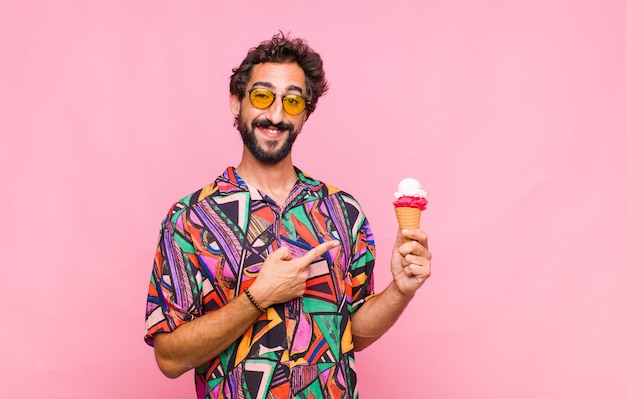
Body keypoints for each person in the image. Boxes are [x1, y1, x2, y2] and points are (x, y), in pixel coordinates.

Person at [144, 32, 432, 399]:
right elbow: (169, 359)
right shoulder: (189, 220)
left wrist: (400, 292)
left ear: (306, 114)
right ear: (237, 102)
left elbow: (352, 334)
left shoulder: (343, 212)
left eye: (293, 102)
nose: (276, 116)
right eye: (263, 96)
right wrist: (257, 298)